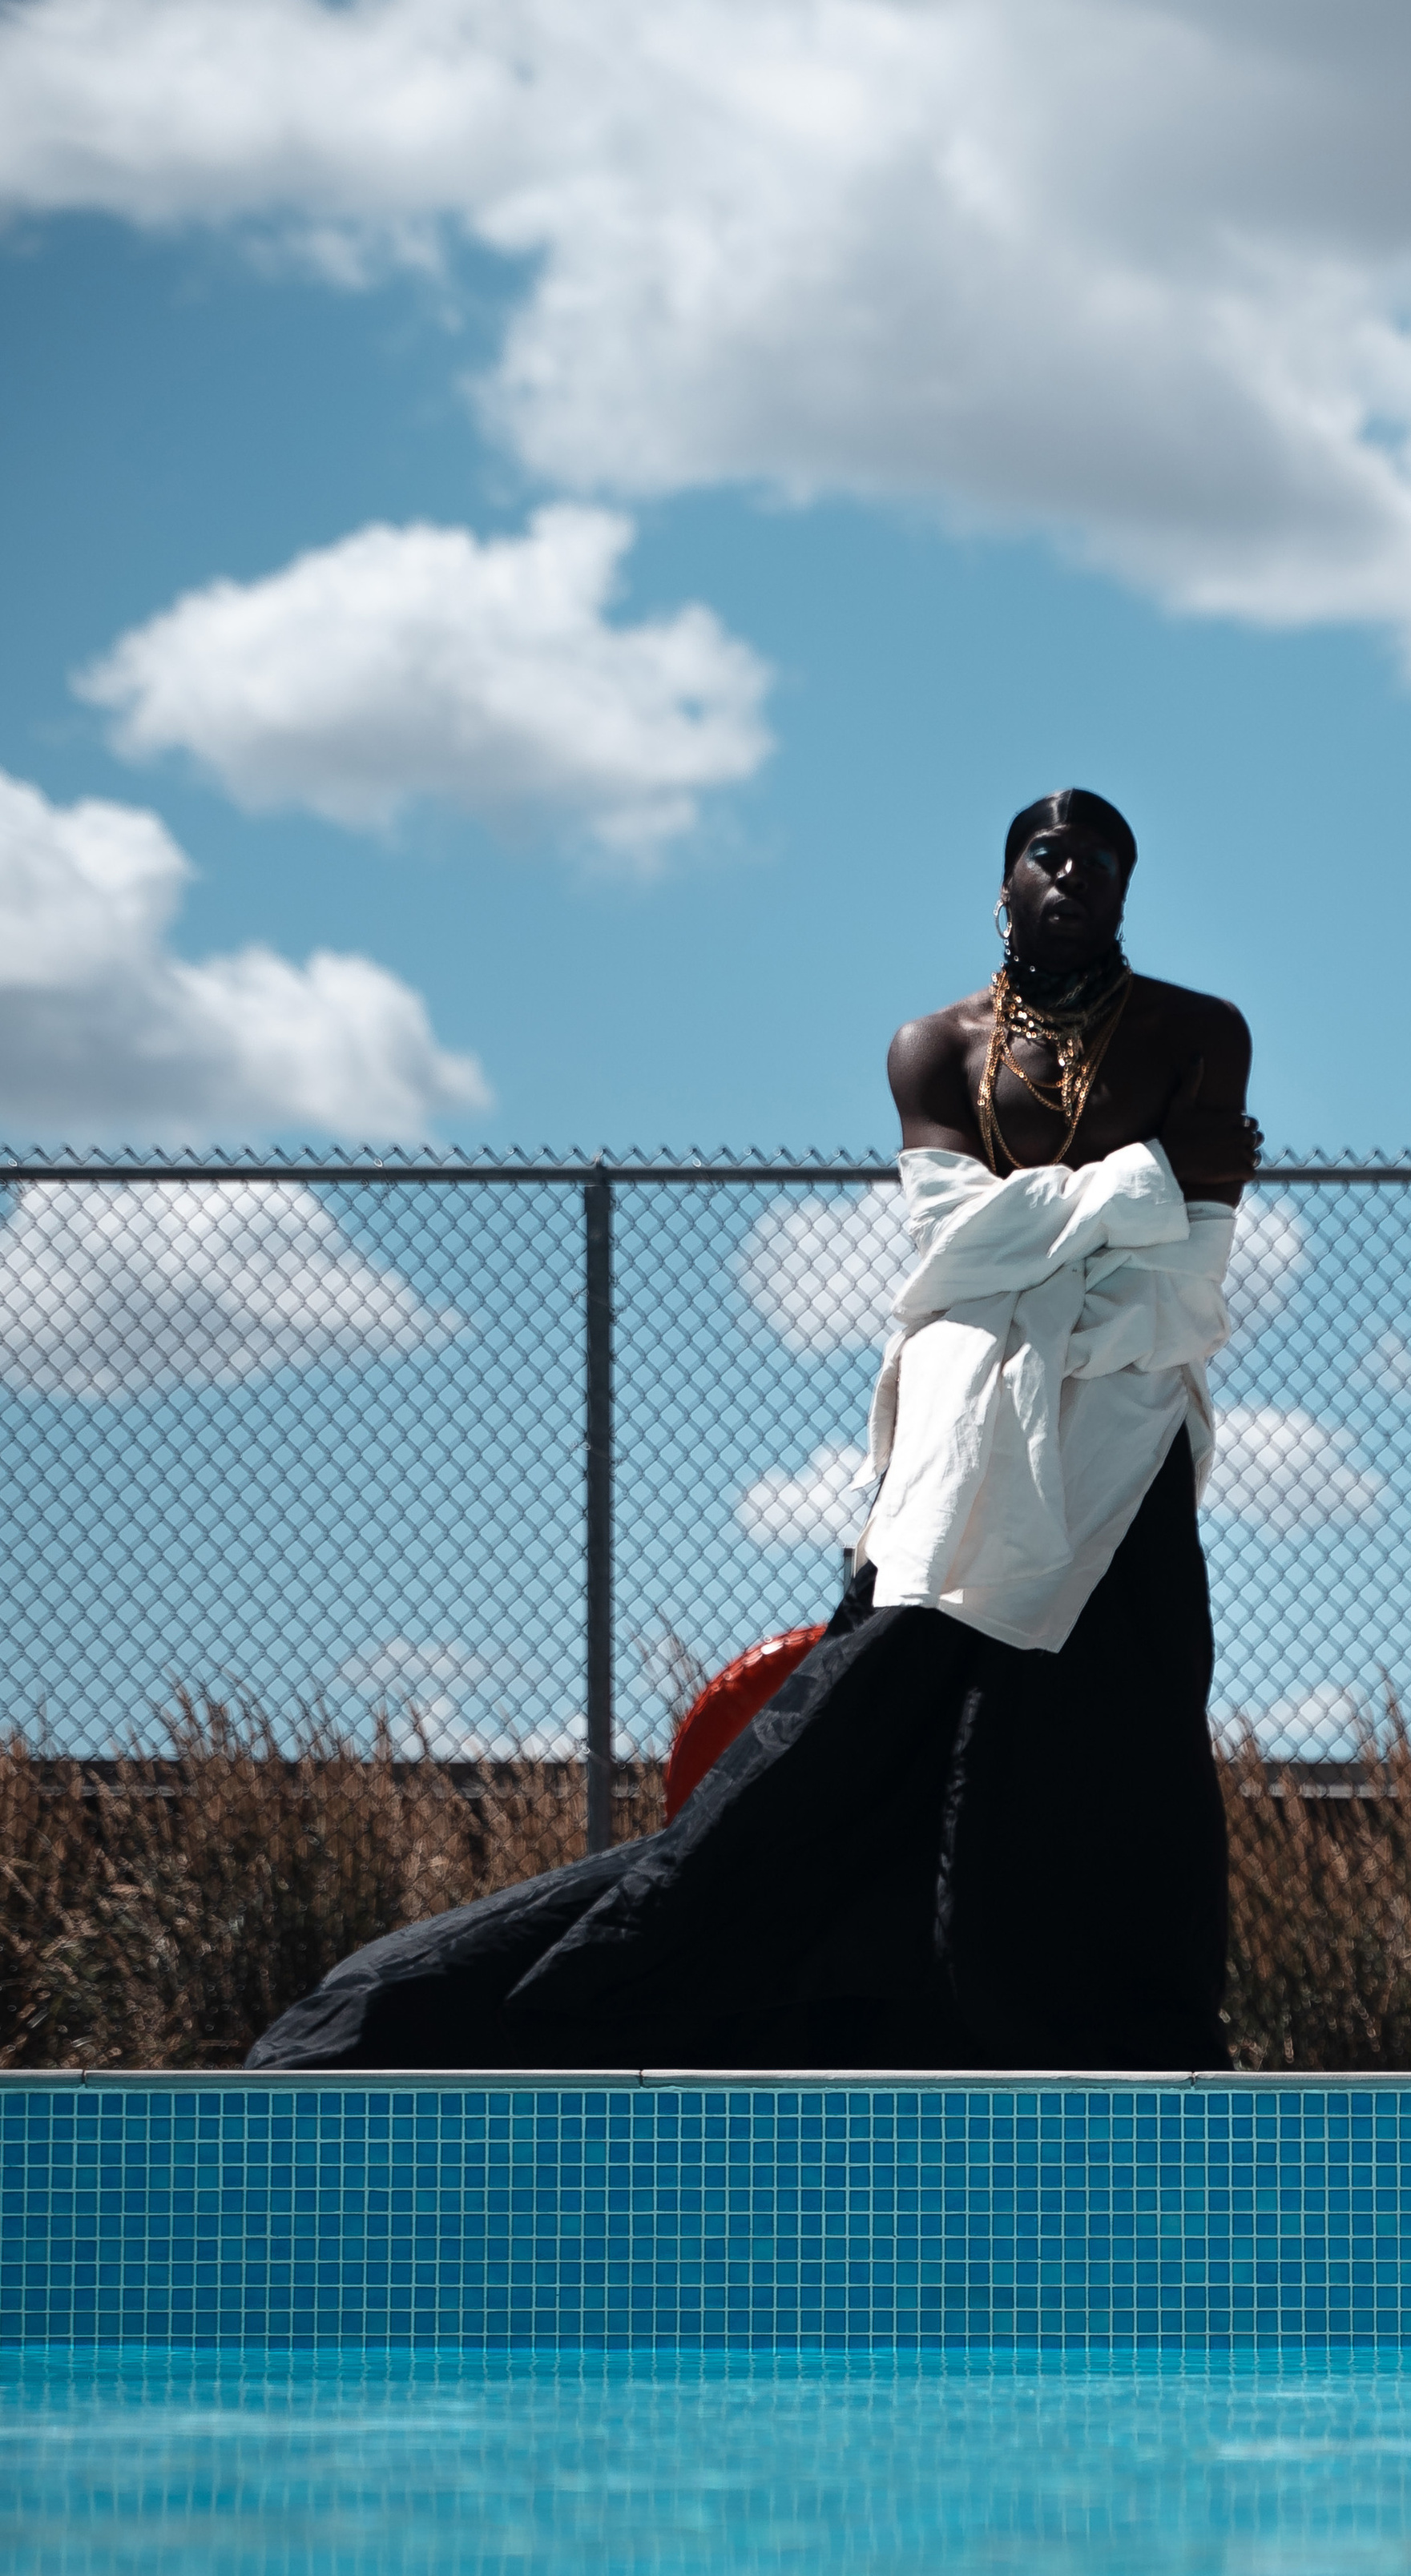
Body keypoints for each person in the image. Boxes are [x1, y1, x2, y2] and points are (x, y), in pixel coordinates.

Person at [246, 789, 1262, 2071]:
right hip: (958, 1467)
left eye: (1104, 860)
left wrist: (1038, 1283)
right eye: (1047, 853)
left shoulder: (1197, 1033)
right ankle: (473, 2016)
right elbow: (950, 1247)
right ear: (1002, 881)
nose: (1074, 873)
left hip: (1125, 1451)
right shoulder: (933, 1047)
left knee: (1117, 1769)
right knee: (834, 1769)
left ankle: (1119, 2055)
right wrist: (1141, 1186)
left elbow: (1183, 1298)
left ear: (1128, 889)